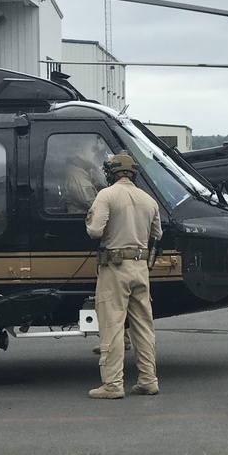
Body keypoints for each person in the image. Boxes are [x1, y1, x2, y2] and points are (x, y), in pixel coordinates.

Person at [85, 151, 163, 399]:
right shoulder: (148, 200)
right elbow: (157, 234)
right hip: (140, 267)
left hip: (114, 268)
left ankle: (112, 385)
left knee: (113, 325)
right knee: (143, 326)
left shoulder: (106, 195)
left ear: (112, 172)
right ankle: (148, 380)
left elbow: (95, 230)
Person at [64, 136, 108, 214]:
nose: (96, 153)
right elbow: (96, 205)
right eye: (94, 149)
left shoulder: (87, 169)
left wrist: (96, 167)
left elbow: (104, 184)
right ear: (81, 149)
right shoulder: (76, 174)